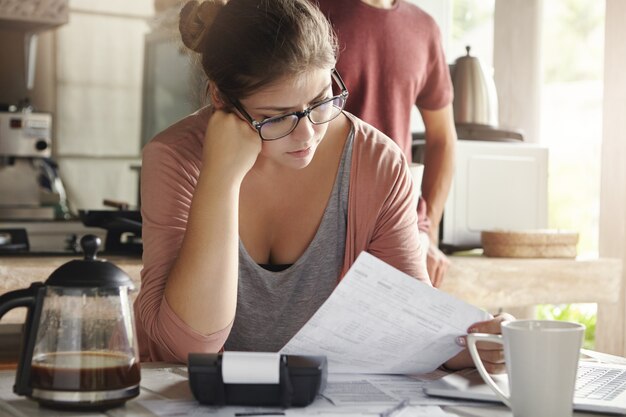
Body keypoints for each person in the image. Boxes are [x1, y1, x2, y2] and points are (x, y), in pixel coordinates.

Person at [134, 0, 506, 373]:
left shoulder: (377, 163)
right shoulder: (175, 158)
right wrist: (220, 178)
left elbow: (407, 330)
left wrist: (475, 343)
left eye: (320, 100)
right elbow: (186, 345)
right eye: (276, 117)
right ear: (220, 98)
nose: (307, 134)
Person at [315, 0, 456, 287]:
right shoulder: (309, 10)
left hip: (399, 221)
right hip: (321, 223)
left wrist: (426, 229)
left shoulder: (424, 28)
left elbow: (442, 138)